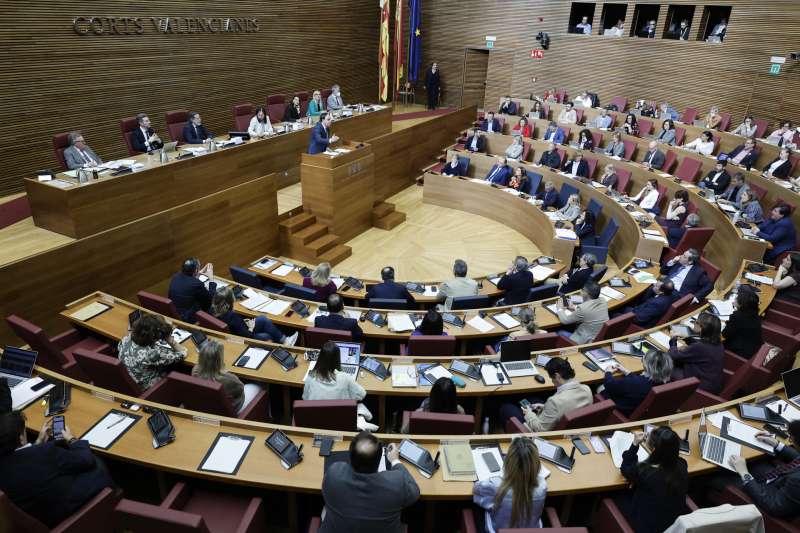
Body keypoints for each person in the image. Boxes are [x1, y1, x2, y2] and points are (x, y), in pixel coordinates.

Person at [0, 412, 114, 528]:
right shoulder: (46, 452)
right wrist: (72, 439)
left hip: (36, 516)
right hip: (67, 514)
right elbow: (86, 460)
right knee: (96, 462)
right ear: (21, 438)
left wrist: (38, 443)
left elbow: (23, 461)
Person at [319, 431, 419, 533]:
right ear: (379, 458)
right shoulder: (396, 483)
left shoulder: (334, 473)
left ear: (350, 456)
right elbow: (415, 492)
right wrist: (395, 461)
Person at [618, 427, 689, 533]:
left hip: (646, 526)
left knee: (614, 496)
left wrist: (635, 444)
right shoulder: (682, 464)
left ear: (654, 449)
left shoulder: (645, 473)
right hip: (671, 525)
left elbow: (626, 467)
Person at [727, 420, 800, 520]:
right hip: (778, 478)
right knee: (754, 463)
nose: (790, 440)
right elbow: (798, 458)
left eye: (791, 439)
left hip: (768, 497)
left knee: (718, 476)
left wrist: (745, 473)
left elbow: (773, 506)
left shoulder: (797, 481)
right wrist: (777, 444)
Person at [473, 437, 547, 531]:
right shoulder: (542, 486)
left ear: (508, 462)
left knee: (476, 507)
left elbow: (476, 489)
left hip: (496, 529)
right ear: (536, 464)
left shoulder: (495, 485)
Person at [502, 357, 592, 432]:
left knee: (506, 407)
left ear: (557, 376)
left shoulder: (554, 402)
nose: (552, 381)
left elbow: (540, 430)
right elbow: (568, 406)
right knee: (533, 399)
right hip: (570, 427)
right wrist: (545, 407)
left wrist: (528, 413)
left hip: (539, 433)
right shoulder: (586, 389)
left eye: (551, 378)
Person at [192, 340, 264, 413]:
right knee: (259, 385)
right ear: (219, 359)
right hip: (231, 410)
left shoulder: (195, 371)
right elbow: (241, 388)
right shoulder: (228, 379)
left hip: (208, 406)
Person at [118, 314, 186, 390]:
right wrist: (169, 339)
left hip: (132, 380)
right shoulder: (152, 354)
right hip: (152, 388)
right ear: (155, 335)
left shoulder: (126, 338)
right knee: (182, 369)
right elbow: (183, 353)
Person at [211, 287, 296, 344]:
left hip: (238, 332)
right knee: (266, 336)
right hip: (241, 339)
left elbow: (234, 326)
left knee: (262, 319)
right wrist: (251, 327)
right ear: (230, 300)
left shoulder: (214, 311)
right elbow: (248, 336)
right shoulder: (232, 316)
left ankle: (285, 341)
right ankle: (284, 343)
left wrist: (243, 323)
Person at [600, 350, 673, 417]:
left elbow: (609, 384)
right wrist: (626, 372)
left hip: (617, 409)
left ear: (647, 365)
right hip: (635, 407)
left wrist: (608, 372)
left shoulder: (634, 383)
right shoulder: (666, 383)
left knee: (599, 386)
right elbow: (641, 382)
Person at [668, 312, 724, 393]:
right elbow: (700, 350)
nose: (694, 323)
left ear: (702, 328)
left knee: (664, 366)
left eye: (696, 322)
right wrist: (688, 339)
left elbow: (674, 355)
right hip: (710, 382)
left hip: (699, 386)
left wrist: (673, 340)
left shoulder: (700, 347)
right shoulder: (718, 343)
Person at [556, 280, 609, 344]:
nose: (580, 291)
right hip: (597, 337)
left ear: (586, 293)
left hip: (584, 341)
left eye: (582, 290)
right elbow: (590, 311)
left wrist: (559, 308)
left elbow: (565, 321)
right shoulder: (603, 300)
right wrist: (575, 308)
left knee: (558, 332)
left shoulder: (583, 309)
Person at [168, 257, 217, 322]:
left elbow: (188, 284)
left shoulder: (176, 277)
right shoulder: (197, 284)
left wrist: (197, 274)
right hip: (187, 318)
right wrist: (211, 279)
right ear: (196, 270)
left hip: (174, 314)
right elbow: (210, 300)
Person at [722, 286, 762, 358]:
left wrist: (729, 324)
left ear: (741, 304)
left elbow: (725, 334)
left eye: (736, 299)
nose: (734, 300)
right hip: (755, 348)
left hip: (740, 353)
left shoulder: (737, 316)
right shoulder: (754, 313)